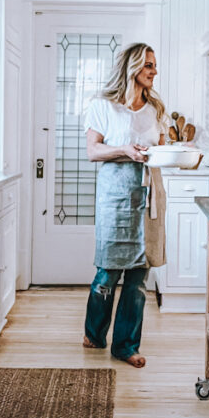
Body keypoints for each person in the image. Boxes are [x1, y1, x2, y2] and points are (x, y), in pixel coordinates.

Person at [82, 43, 167, 368]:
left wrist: (175, 152)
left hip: (147, 197)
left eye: (154, 65)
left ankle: (126, 346)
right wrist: (124, 150)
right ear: (132, 67)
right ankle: (94, 332)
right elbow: (93, 151)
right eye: (148, 65)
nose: (154, 71)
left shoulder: (155, 108)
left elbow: (158, 149)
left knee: (138, 276)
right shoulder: (103, 106)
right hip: (115, 198)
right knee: (107, 273)